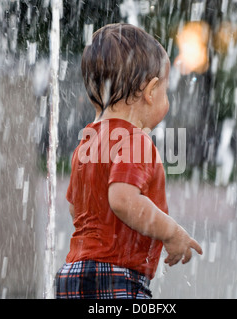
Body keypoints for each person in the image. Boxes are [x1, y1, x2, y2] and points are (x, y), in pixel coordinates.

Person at [55, 23, 203, 299]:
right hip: (115, 277)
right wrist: (171, 232)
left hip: (72, 274)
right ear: (151, 91)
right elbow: (122, 200)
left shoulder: (87, 143)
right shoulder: (135, 141)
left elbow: (77, 209)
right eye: (165, 92)